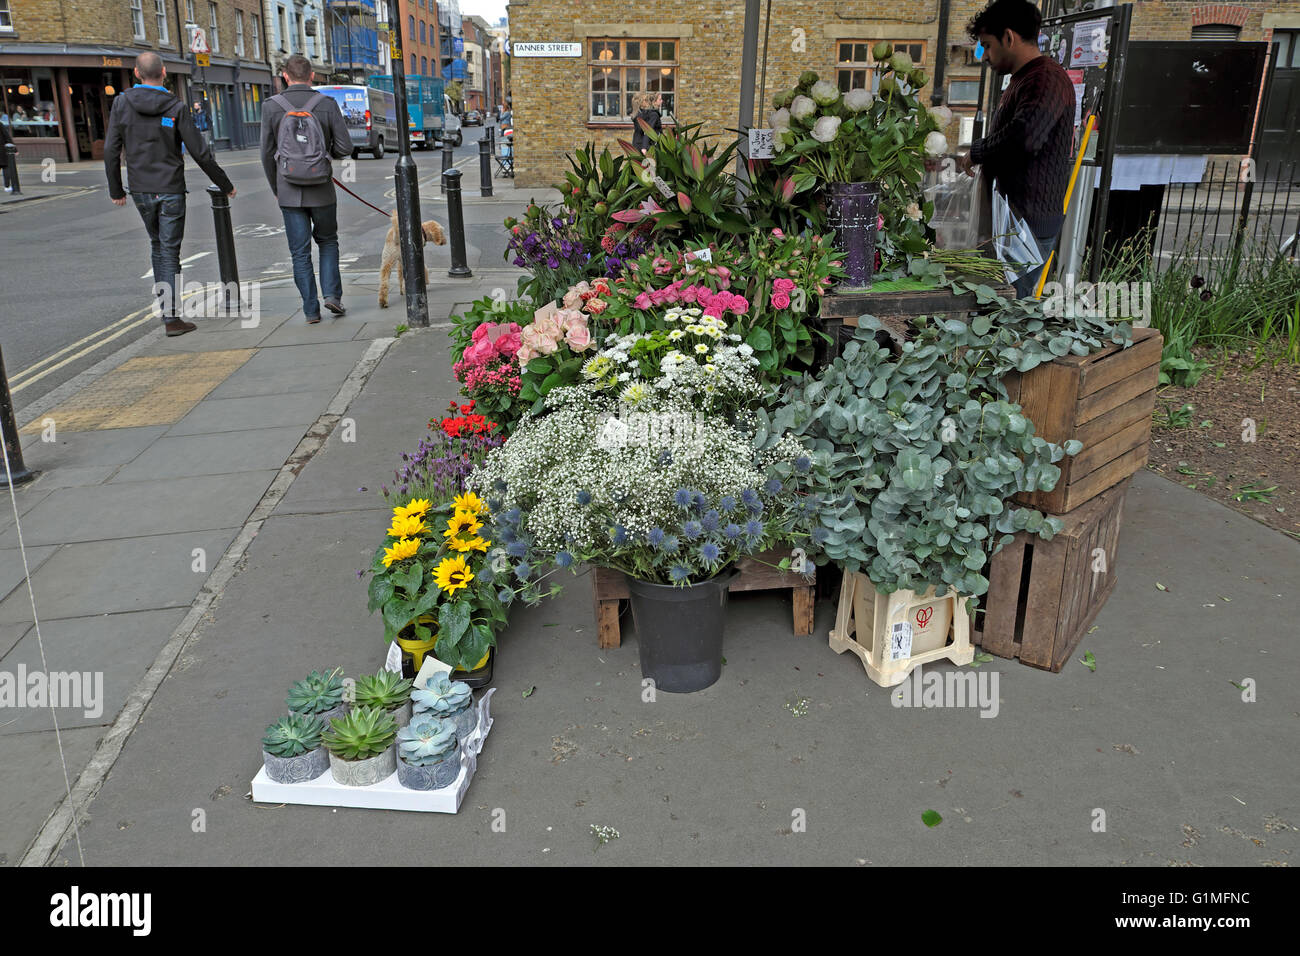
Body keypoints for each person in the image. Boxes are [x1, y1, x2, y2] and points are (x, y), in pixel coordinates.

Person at [104, 52, 236, 337]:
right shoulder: (176, 106)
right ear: (163, 72)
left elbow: (111, 149)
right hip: (171, 189)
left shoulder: (122, 103)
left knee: (157, 246)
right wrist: (225, 184)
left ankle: (168, 313)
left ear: (137, 74)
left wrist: (116, 189)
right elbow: (200, 152)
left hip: (140, 189)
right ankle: (171, 318)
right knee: (169, 252)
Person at [960, 0, 1075, 298]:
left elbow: (1025, 137)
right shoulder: (1024, 79)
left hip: (1027, 226)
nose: (984, 55)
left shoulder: (1045, 78)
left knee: (1005, 310)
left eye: (987, 45)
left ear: (1008, 37)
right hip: (1012, 220)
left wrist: (978, 151)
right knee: (994, 303)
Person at [260, 54, 352, 324]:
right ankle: (332, 297)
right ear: (312, 76)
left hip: (288, 189)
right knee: (327, 241)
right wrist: (324, 157)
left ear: (285, 77)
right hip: (321, 187)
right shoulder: (326, 104)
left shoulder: (271, 106)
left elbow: (266, 153)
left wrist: (276, 186)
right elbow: (345, 147)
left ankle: (311, 311)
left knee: (299, 252)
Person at [630, 91, 662, 156]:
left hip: (637, 142)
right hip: (642, 145)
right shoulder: (643, 115)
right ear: (641, 102)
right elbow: (647, 131)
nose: (647, 102)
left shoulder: (639, 114)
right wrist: (644, 147)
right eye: (645, 100)